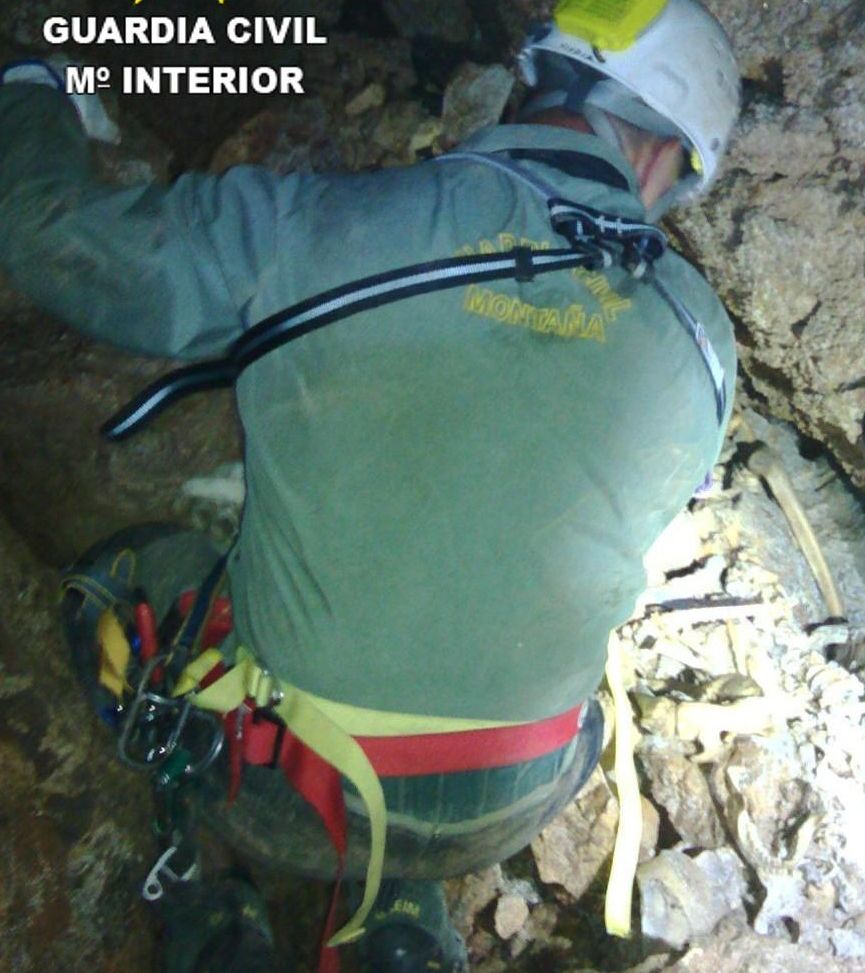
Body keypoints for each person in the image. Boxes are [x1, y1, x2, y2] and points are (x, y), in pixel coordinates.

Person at [0, 1, 740, 970]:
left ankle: (202, 878)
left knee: (119, 573)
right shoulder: (703, 341)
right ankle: (398, 918)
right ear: (664, 156)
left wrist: (31, 89)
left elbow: (49, 233)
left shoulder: (315, 228)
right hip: (514, 803)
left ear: (533, 82)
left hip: (284, 800)